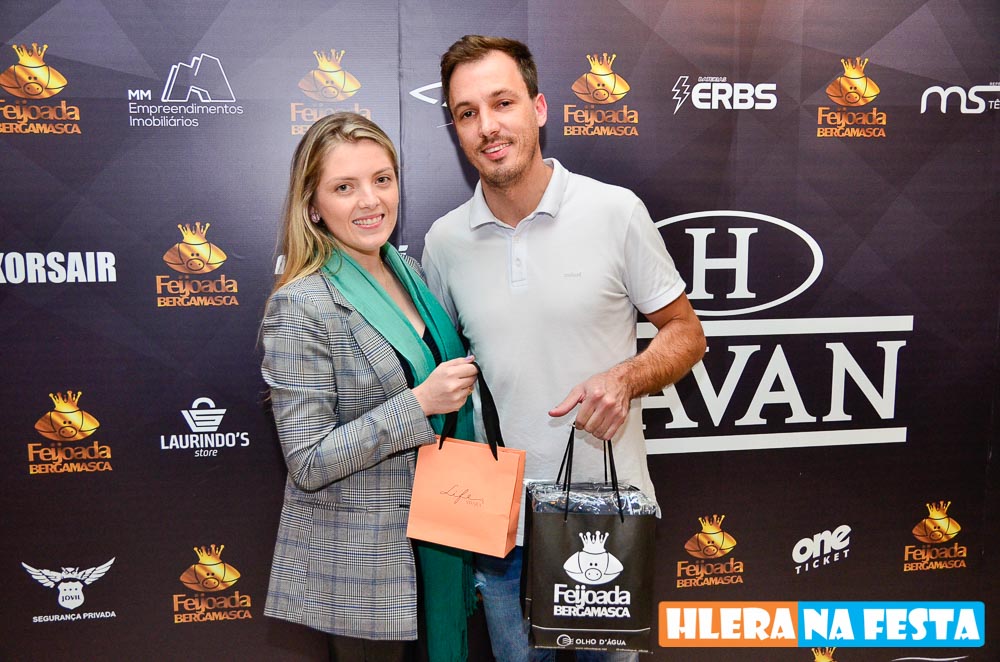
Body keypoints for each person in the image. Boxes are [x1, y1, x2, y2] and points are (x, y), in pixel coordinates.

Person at [422, 36, 707, 662]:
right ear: (456, 129)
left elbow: (687, 332)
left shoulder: (615, 211)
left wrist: (626, 377)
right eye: (467, 112)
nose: (487, 126)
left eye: (502, 103)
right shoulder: (444, 242)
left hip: (607, 513)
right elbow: (441, 373)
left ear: (540, 108)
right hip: (499, 526)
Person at [260, 111, 479, 662]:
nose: (370, 200)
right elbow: (308, 460)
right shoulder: (301, 304)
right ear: (312, 205)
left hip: (441, 538)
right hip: (364, 565)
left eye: (382, 179)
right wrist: (419, 405)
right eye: (344, 187)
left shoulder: (411, 274)